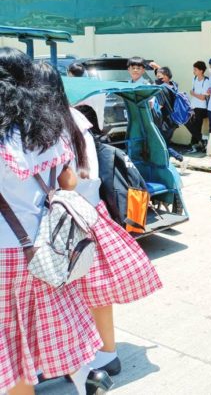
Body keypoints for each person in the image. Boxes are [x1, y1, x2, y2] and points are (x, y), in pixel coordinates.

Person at [33, 62, 162, 391]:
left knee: (67, 292)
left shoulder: (46, 128)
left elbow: (63, 179)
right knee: (95, 290)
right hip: (92, 212)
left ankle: (80, 360)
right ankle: (107, 352)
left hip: (67, 219)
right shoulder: (77, 119)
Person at [0, 48, 109, 395]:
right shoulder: (48, 128)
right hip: (46, 247)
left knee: (11, 341)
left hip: (5, 252)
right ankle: (87, 379)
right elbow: (70, 182)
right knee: (50, 326)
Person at [185, 61, 210, 154]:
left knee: (196, 126)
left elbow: (203, 97)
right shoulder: (194, 78)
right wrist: (195, 94)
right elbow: (196, 93)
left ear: (201, 70)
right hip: (193, 106)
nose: (194, 71)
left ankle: (195, 144)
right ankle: (200, 142)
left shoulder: (206, 81)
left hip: (202, 108)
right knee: (192, 125)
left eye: (195, 69)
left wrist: (193, 93)